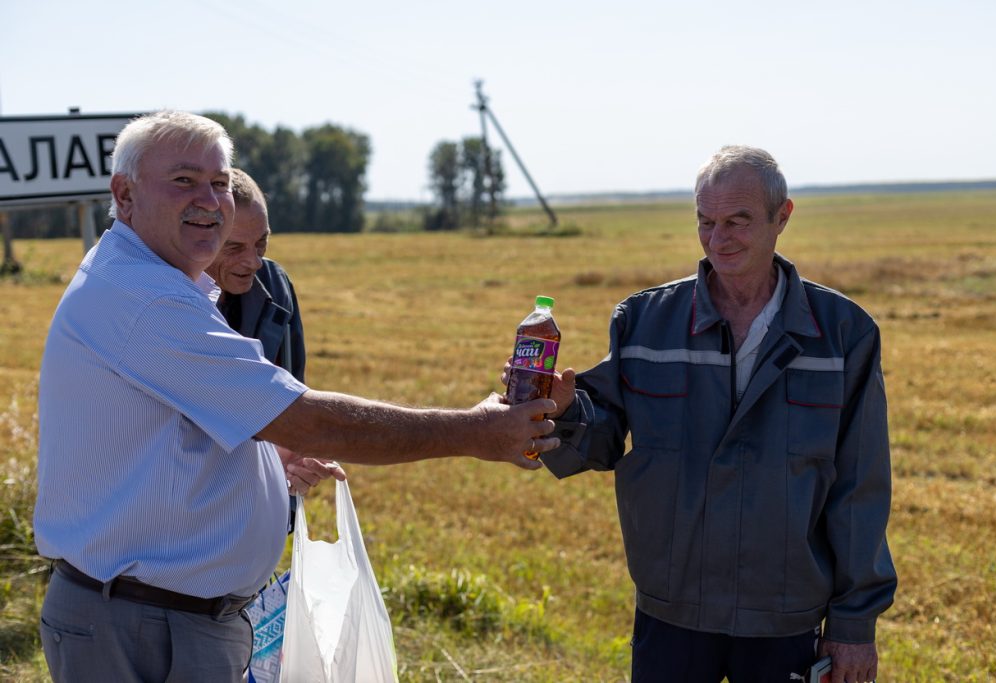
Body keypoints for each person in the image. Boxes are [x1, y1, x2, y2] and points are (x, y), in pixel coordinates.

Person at [34, 110, 557, 682]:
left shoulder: (154, 282)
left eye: (218, 180)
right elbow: (306, 419)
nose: (209, 199)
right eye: (183, 180)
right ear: (124, 194)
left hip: (158, 617)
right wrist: (479, 433)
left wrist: (267, 457)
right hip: (141, 627)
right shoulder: (146, 300)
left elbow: (167, 440)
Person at [534, 146, 897, 683]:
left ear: (783, 218)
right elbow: (601, 435)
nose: (718, 238)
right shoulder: (646, 321)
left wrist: (853, 625)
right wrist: (562, 410)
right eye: (705, 221)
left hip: (785, 618)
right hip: (672, 611)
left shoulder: (843, 334)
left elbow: (859, 490)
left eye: (738, 221)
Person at [205, 168, 334, 498]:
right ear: (197, 238)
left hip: (256, 509)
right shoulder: (163, 301)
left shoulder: (276, 285)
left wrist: (293, 456)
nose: (253, 262)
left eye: (261, 243)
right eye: (233, 247)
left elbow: (292, 399)